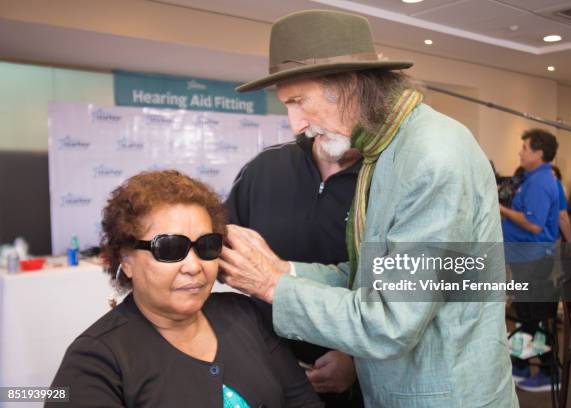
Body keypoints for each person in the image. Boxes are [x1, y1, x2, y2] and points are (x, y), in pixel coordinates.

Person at [220, 10, 518, 407]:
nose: (295, 124)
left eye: (299, 102)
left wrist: (273, 286)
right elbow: (372, 272)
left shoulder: (432, 156)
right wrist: (282, 268)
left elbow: (390, 321)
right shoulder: (385, 149)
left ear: (349, 85)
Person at [46, 170, 322, 408]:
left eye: (206, 246)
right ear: (126, 259)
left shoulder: (245, 315)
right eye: (169, 249)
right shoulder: (95, 360)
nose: (194, 266)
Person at [225, 132, 364, 407]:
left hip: (354, 386)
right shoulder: (265, 168)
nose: (300, 122)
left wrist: (360, 363)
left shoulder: (387, 177)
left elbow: (398, 293)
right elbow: (218, 245)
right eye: (291, 103)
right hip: (266, 370)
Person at [500, 129, 560, 392]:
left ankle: (549, 372)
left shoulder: (540, 181)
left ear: (538, 153)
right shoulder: (534, 178)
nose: (520, 152)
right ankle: (521, 365)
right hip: (527, 258)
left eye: (524, 148)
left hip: (533, 260)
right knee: (527, 316)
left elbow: (533, 225)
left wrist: (500, 208)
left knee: (532, 318)